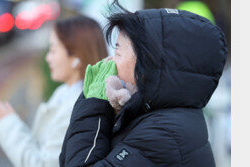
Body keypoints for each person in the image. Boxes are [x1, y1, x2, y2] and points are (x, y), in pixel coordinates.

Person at [59, 1, 228, 167]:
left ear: (147, 64)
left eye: (118, 52)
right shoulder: (154, 116)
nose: (109, 62)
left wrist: (94, 103)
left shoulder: (163, 134)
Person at [0, 15, 108, 167]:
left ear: (76, 58)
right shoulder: (66, 92)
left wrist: (6, 122)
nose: (48, 58)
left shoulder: (75, 107)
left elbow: (42, 164)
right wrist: (8, 119)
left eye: (53, 50)